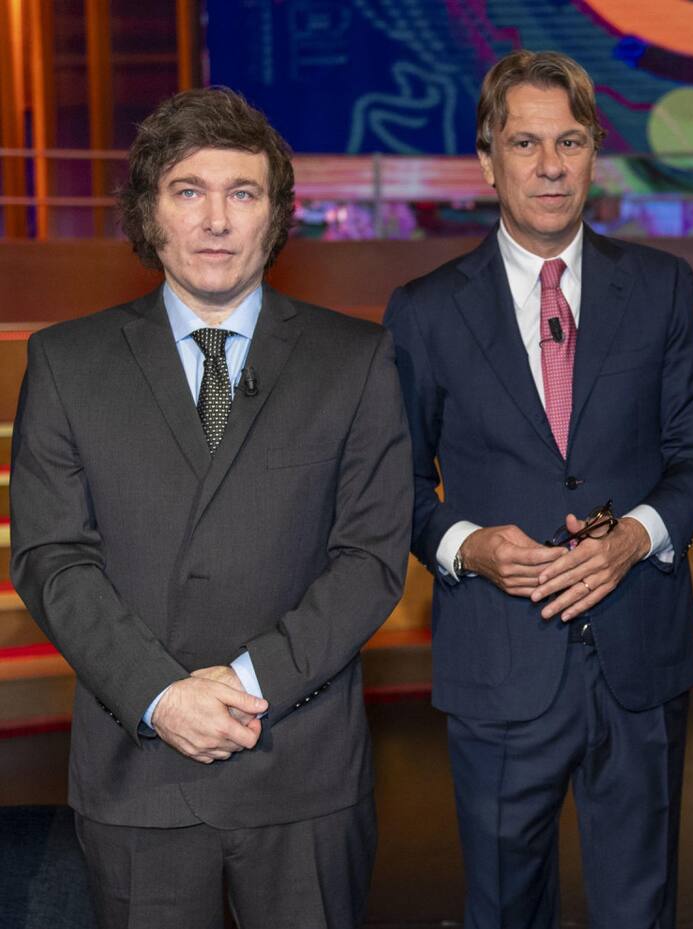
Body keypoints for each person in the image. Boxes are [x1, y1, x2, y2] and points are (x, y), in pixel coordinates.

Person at [9, 88, 412, 929]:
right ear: (149, 212)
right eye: (188, 191)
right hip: (138, 769)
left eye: (243, 193)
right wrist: (161, 694)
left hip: (301, 770)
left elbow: (370, 556)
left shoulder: (355, 359)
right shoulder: (67, 363)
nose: (217, 220)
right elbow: (52, 557)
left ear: (275, 214)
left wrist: (247, 683)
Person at [384, 50, 693, 929]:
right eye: (524, 142)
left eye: (570, 142)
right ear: (486, 160)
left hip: (640, 657)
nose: (549, 166)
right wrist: (469, 548)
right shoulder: (424, 311)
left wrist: (634, 537)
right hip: (498, 664)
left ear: (594, 155)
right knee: (503, 909)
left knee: (641, 910)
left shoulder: (663, 288)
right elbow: (397, 484)